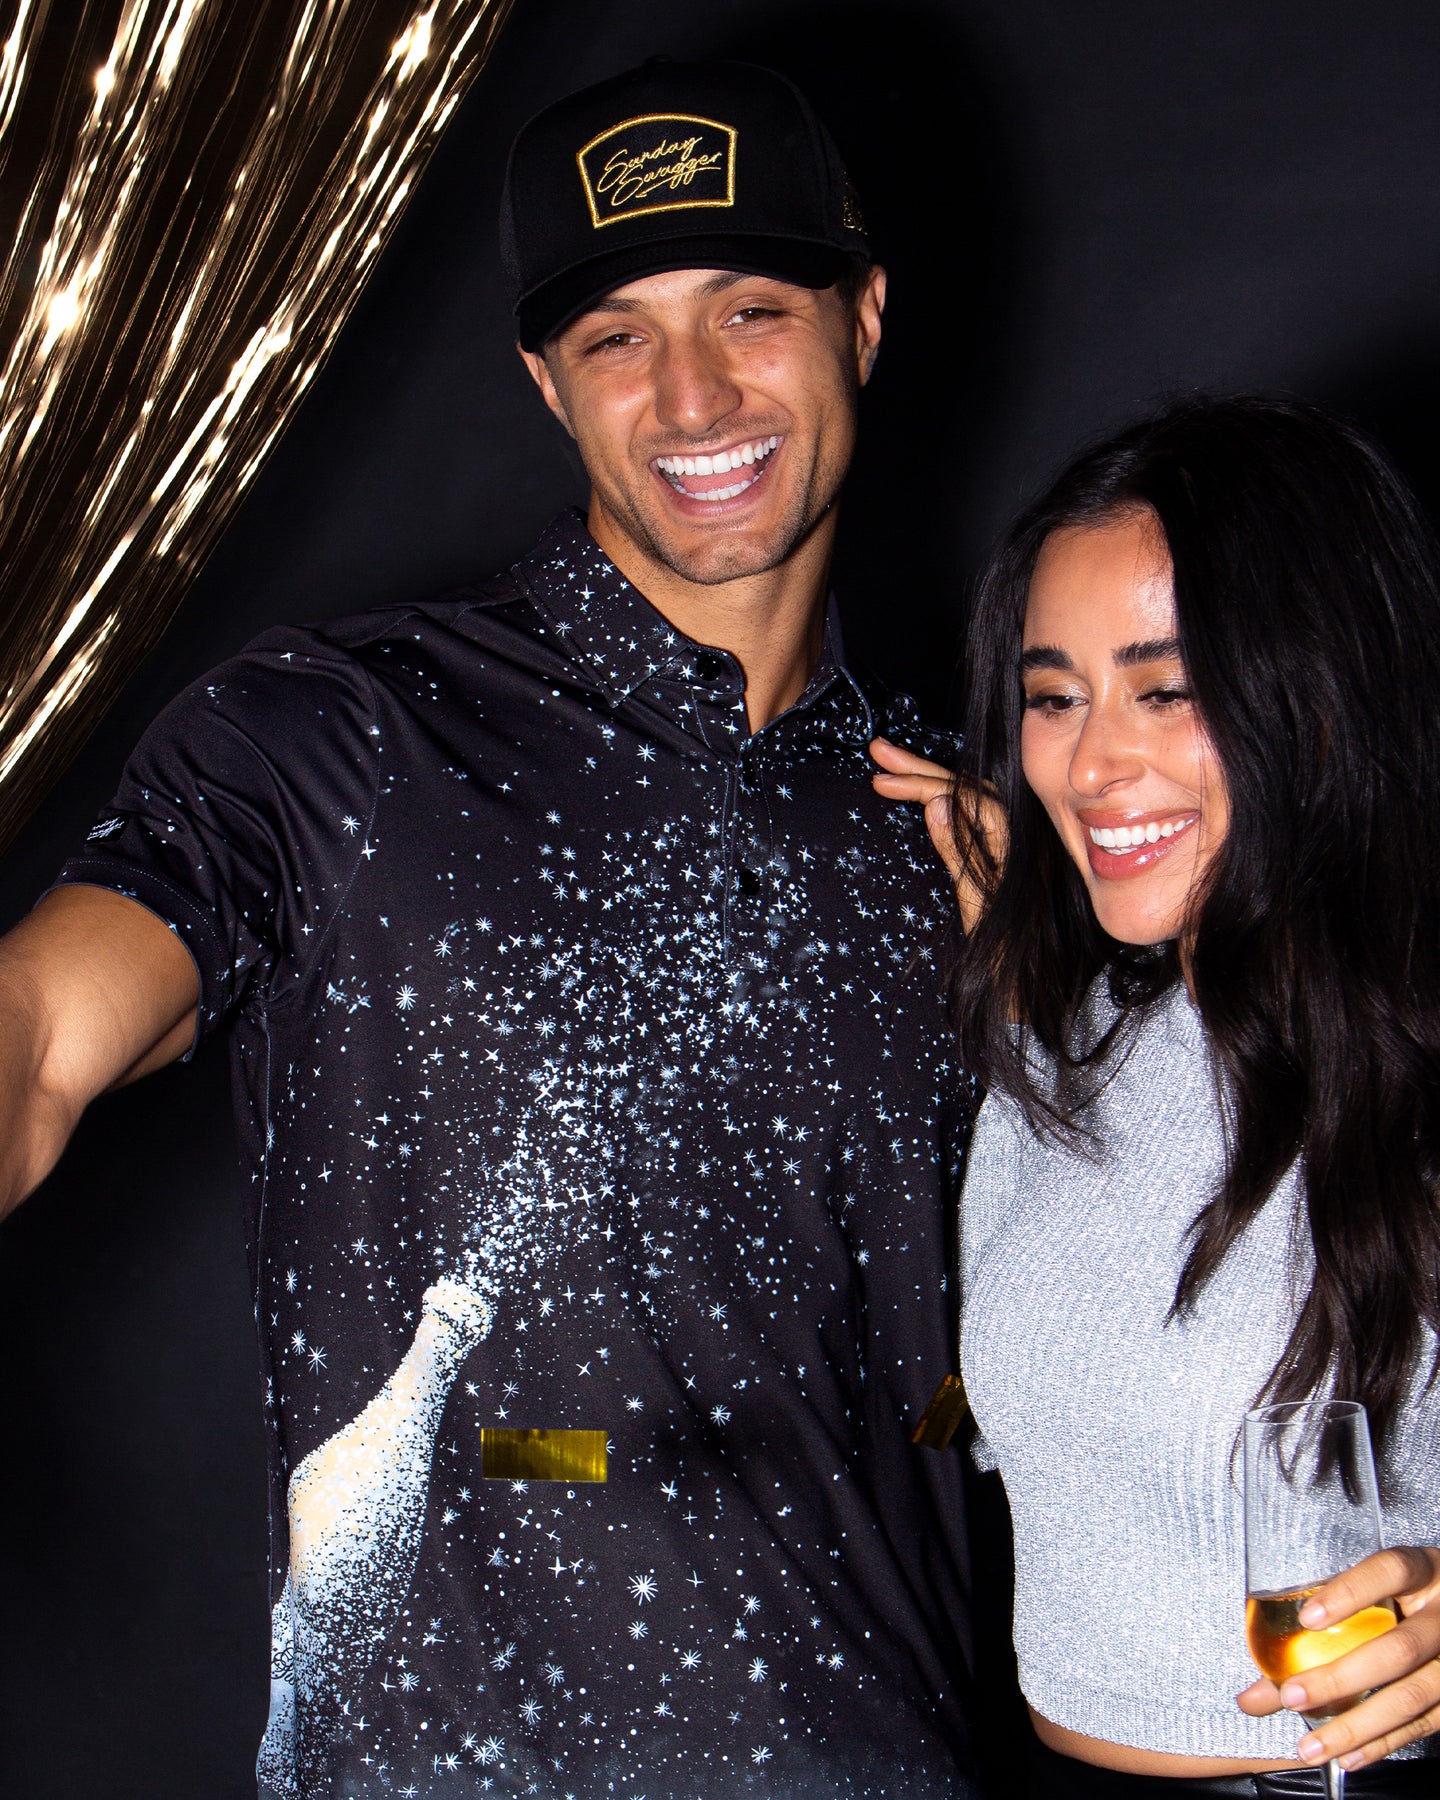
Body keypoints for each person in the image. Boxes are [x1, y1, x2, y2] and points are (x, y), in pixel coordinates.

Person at [0, 57, 983, 1800]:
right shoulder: (341, 735)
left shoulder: (984, 827)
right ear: (547, 382)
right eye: (615, 338)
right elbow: (40, 1034)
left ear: (866, 318)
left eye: (752, 310)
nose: (693, 393)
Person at [873, 395, 1440, 1796]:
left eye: (1166, 690)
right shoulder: (1065, 1059)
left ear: (1318, 692)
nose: (1091, 764)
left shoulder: (1415, 1059)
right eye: (1054, 697)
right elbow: (992, 1420)